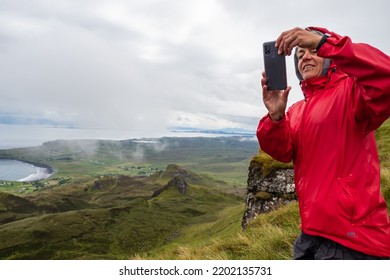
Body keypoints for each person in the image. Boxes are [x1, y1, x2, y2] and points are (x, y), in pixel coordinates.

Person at [257, 26, 390, 259]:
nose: (304, 57)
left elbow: (385, 77)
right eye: (299, 55)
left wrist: (326, 42)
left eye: (311, 51)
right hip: (310, 234)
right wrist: (276, 117)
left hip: (354, 240)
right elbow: (283, 151)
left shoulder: (352, 92)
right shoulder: (297, 110)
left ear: (328, 55)